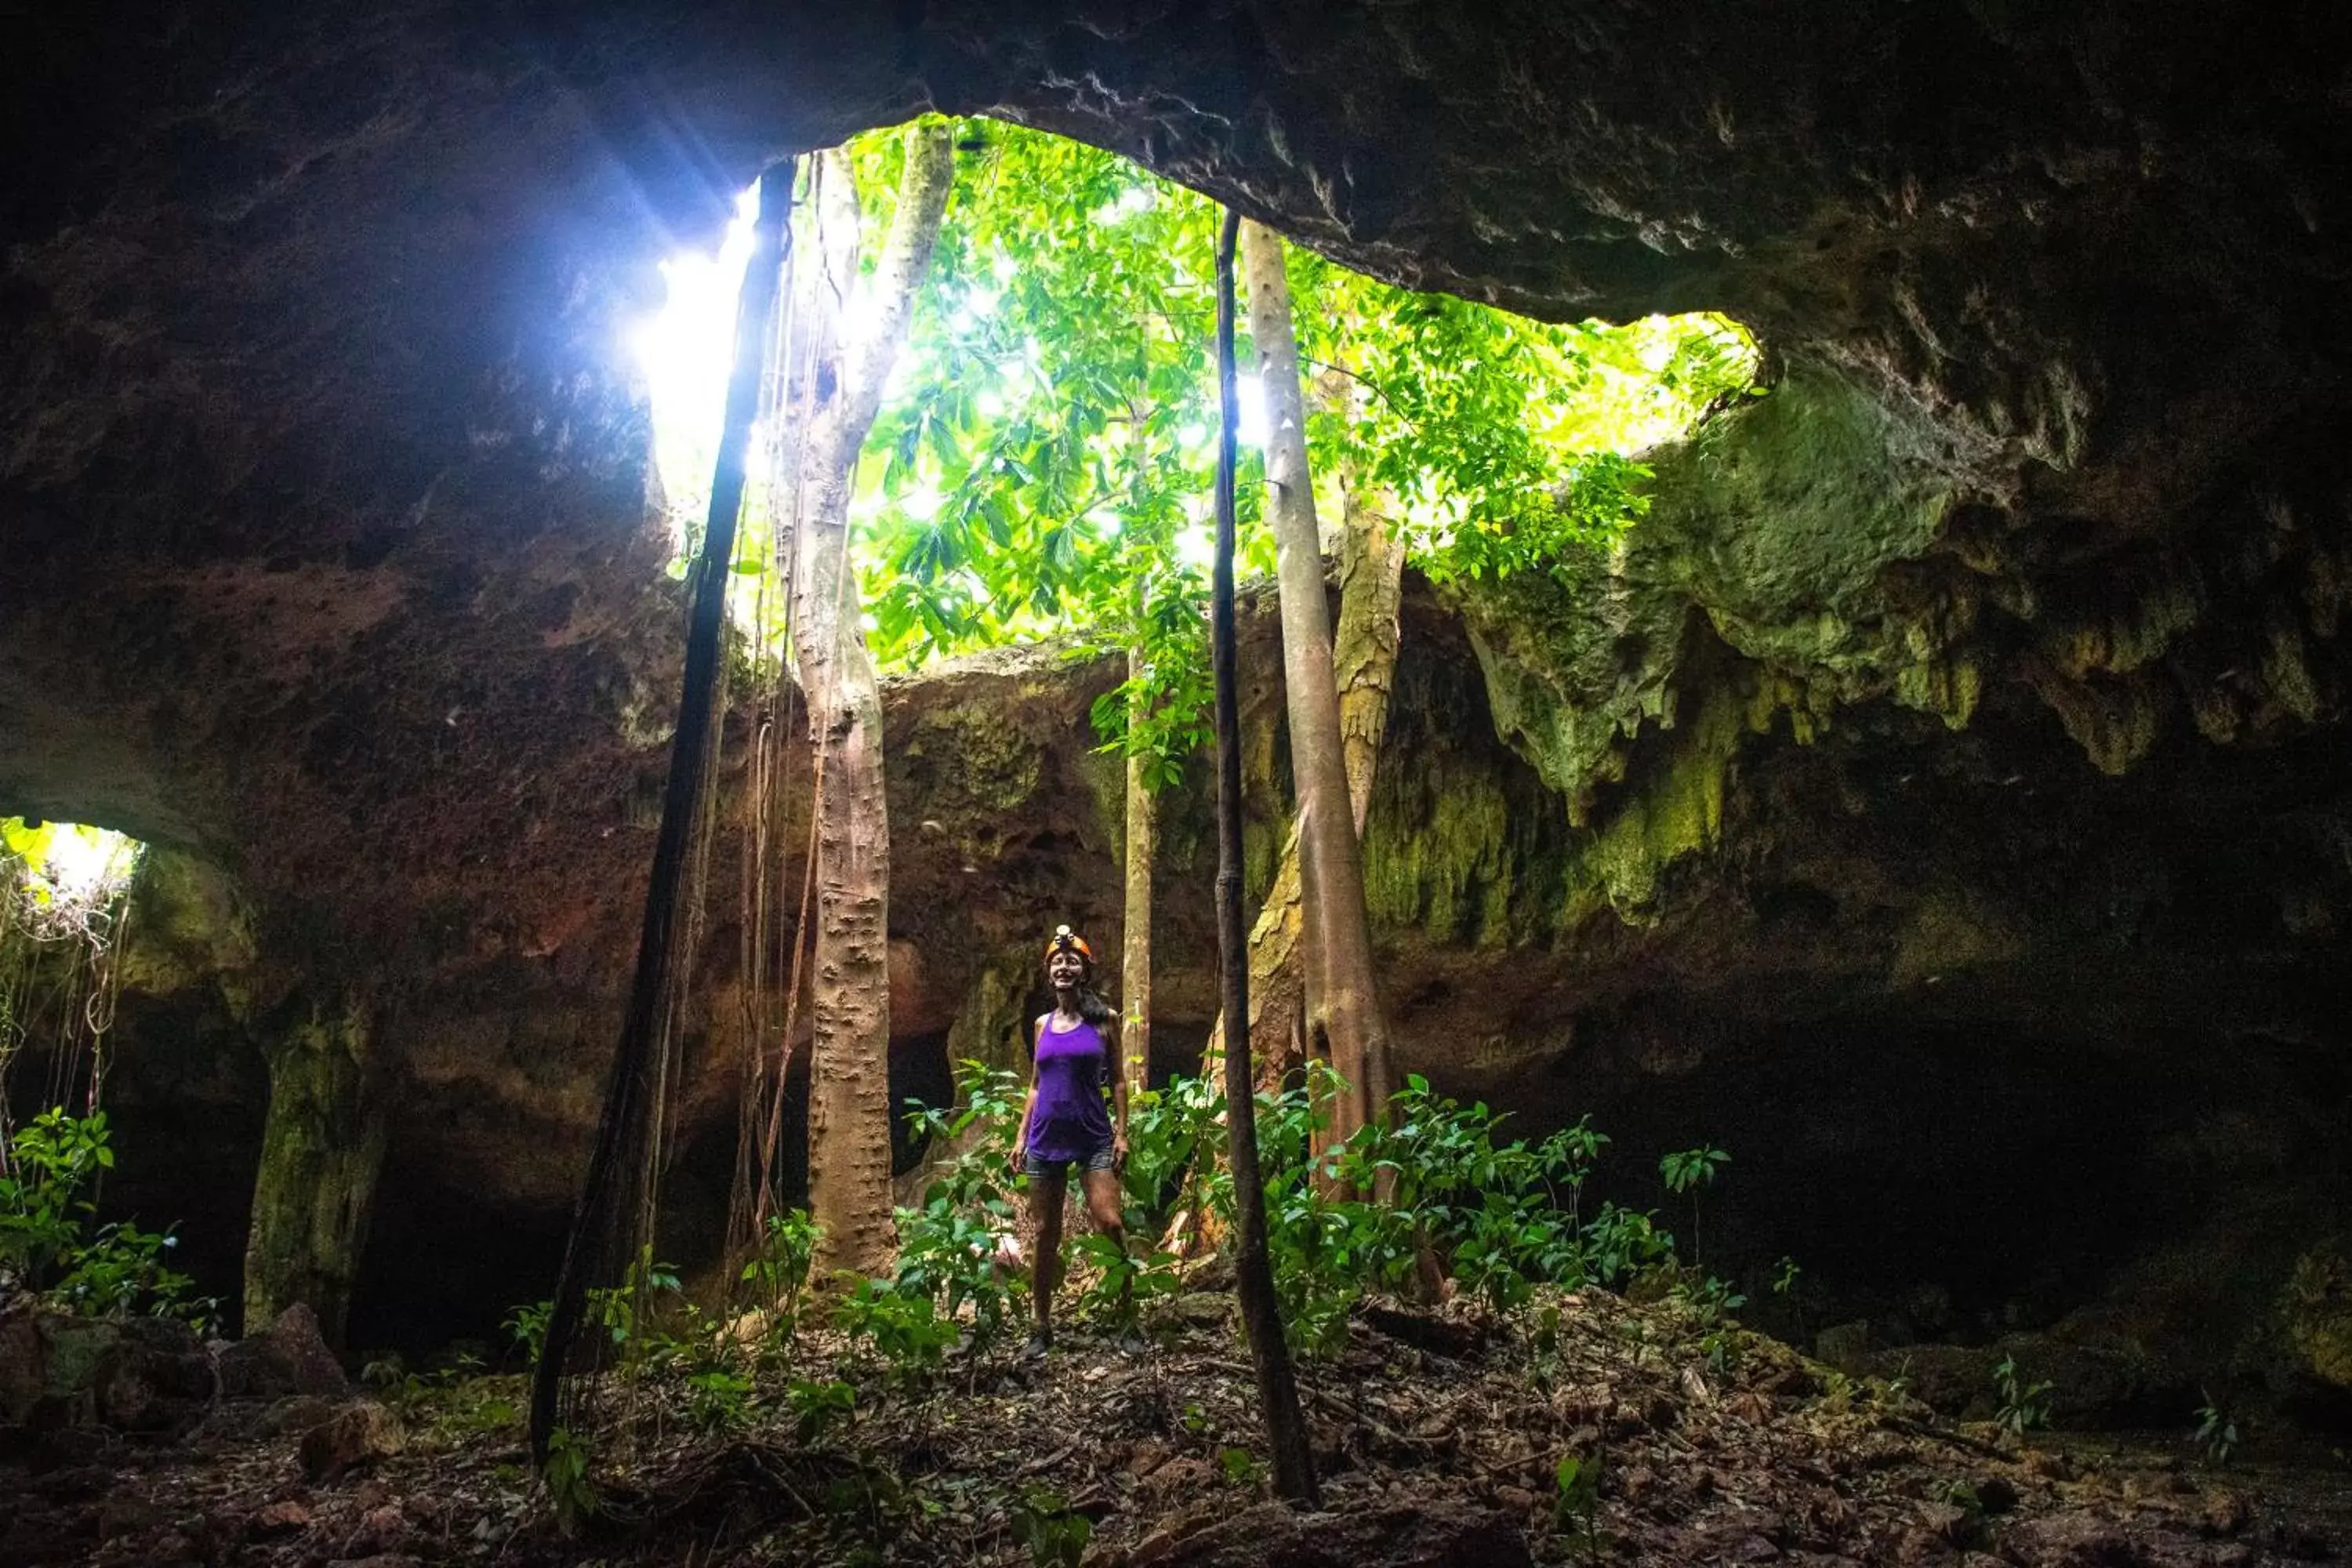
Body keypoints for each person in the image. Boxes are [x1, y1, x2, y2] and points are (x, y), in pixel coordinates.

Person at [1009, 924, 1130, 1357]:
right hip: (1045, 1138)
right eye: (1057, 961)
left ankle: (1126, 1316)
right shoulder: (1042, 1025)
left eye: (1072, 960)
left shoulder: (1105, 1021)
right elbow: (1036, 1085)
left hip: (1094, 1136)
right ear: (1050, 971)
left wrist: (1122, 1134)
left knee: (1111, 1222)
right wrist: (1021, 1137)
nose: (1064, 966)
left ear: (1084, 971)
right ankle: (1040, 1326)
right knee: (1044, 1233)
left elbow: (1117, 1082)